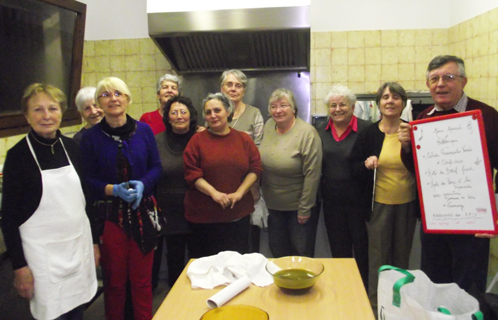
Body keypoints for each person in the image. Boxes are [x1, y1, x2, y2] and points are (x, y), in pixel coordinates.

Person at [398, 55, 498, 293]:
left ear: (463, 81)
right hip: (435, 221)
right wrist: (406, 147)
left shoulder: (486, 116)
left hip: (473, 224)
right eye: (434, 79)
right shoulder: (424, 119)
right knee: (435, 287)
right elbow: (418, 170)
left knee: (468, 290)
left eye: (448, 77)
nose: (440, 84)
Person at [0, 83, 98, 320]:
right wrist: (19, 267)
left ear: (61, 113)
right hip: (41, 261)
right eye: (38, 110)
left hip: (78, 249)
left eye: (52, 108)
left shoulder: (72, 148)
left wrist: (94, 243)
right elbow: (9, 218)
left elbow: (88, 203)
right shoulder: (18, 157)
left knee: (77, 312)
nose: (46, 116)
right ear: (26, 115)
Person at [80, 77, 162, 320]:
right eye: (105, 95)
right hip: (110, 219)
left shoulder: (144, 130)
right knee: (114, 285)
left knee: (142, 282)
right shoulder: (91, 138)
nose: (113, 98)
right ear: (98, 104)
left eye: (118, 93)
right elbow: (85, 180)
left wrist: (143, 184)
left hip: (143, 216)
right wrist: (111, 189)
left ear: (127, 98)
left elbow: (156, 167)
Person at [350, 82, 417, 308]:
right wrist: (366, 164)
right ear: (378, 103)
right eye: (386, 97)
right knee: (378, 259)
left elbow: (425, 167)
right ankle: (376, 305)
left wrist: (408, 147)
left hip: (407, 205)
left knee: (401, 258)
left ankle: (398, 306)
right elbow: (353, 167)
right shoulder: (369, 133)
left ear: (403, 103)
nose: (390, 101)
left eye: (396, 97)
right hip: (378, 206)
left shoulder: (412, 130)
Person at [183, 92, 262, 258]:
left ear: (228, 111)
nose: (213, 115)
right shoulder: (196, 141)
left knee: (237, 266)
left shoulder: (243, 139)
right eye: (208, 112)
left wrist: (240, 193)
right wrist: (214, 194)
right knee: (207, 269)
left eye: (217, 110)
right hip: (203, 218)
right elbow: (192, 173)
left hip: (237, 215)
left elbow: (255, 168)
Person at [317, 84, 370, 288]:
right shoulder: (320, 132)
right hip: (332, 204)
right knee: (340, 254)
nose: (337, 109)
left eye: (342, 105)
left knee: (363, 253)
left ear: (353, 106)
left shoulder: (367, 130)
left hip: (360, 204)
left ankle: (363, 293)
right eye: (333, 105)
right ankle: (345, 292)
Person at [259, 88, 322, 258]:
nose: (278, 110)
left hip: (298, 209)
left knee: (300, 254)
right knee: (278, 252)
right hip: (273, 207)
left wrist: (304, 208)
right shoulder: (269, 126)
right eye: (273, 106)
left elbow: (313, 174)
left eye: (283, 105)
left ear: (293, 108)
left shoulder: (307, 133)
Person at [220, 69, 265, 252]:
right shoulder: (215, 114)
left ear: (244, 91)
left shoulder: (254, 114)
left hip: (248, 192)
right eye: (229, 84)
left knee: (248, 247)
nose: (233, 89)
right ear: (221, 88)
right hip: (219, 193)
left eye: (238, 86)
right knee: (224, 248)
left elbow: (259, 152)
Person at [155, 96, 197, 287]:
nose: (179, 116)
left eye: (183, 112)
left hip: (198, 206)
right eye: (174, 112)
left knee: (199, 257)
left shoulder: (201, 137)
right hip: (168, 210)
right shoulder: (157, 141)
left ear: (191, 115)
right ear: (167, 117)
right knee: (174, 258)